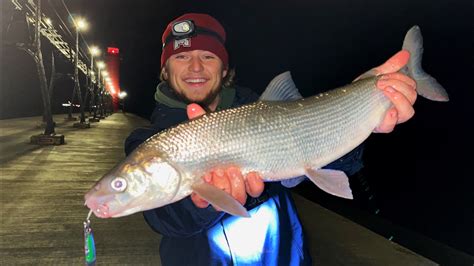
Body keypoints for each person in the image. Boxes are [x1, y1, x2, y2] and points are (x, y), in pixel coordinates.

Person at [124, 13, 417, 266]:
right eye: (182, 57)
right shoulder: (148, 142)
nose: (196, 67)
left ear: (224, 69)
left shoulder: (262, 109)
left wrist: (362, 109)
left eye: (208, 56)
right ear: (166, 69)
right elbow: (165, 218)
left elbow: (338, 157)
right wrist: (204, 202)